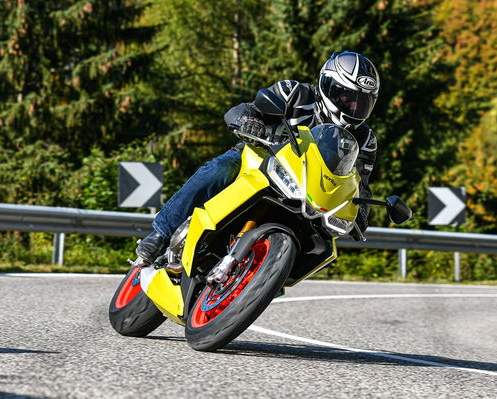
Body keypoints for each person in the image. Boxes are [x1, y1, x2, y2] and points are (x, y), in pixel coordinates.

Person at [136, 50, 380, 265]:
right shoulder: (295, 93)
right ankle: (160, 234)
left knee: (322, 245)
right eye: (347, 97)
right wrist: (248, 122)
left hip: (309, 194)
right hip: (259, 161)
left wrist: (361, 212)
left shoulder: (364, 139)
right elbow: (244, 110)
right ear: (328, 86)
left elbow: (360, 184)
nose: (353, 107)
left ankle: (263, 276)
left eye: (361, 102)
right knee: (220, 169)